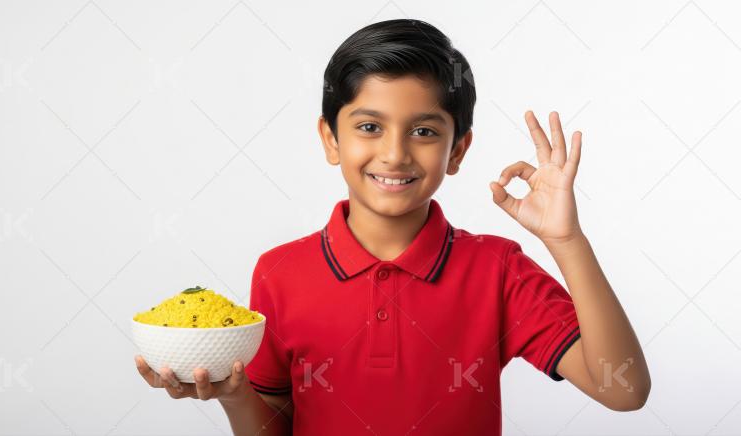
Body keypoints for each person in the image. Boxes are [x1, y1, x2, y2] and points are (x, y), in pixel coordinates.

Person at [135, 18, 651, 435]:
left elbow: (623, 391)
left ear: (458, 151)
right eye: (369, 127)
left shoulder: (497, 269)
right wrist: (235, 396)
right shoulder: (279, 273)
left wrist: (566, 241)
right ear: (330, 139)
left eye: (424, 131)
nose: (395, 152)